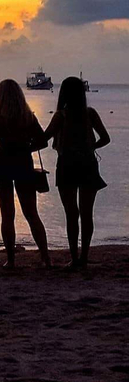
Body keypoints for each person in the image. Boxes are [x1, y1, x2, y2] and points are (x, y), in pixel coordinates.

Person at [43, 76, 111, 270]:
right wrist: (90, 147)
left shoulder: (61, 116)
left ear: (63, 93)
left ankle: (74, 257)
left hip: (66, 165)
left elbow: (45, 137)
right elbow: (105, 138)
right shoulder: (90, 113)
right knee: (87, 213)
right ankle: (84, 256)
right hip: (88, 164)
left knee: (71, 214)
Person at [0, 79, 51, 269]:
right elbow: (43, 141)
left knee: (7, 214)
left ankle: (11, 259)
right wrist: (27, 147)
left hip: (3, 164)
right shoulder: (28, 117)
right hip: (23, 163)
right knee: (31, 213)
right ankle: (46, 257)